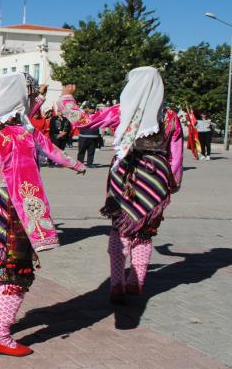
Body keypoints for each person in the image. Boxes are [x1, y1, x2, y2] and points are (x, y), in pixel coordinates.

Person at [0, 73, 85, 357]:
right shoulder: (18, 136)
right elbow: (26, 185)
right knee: (15, 270)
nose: (32, 99)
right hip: (11, 207)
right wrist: (40, 228)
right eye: (29, 95)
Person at [58, 66, 183, 305]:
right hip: (155, 175)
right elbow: (175, 155)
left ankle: (117, 282)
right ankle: (137, 281)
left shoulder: (121, 111)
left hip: (125, 174)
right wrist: (173, 182)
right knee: (145, 231)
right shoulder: (170, 116)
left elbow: (85, 122)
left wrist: (67, 98)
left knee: (120, 228)